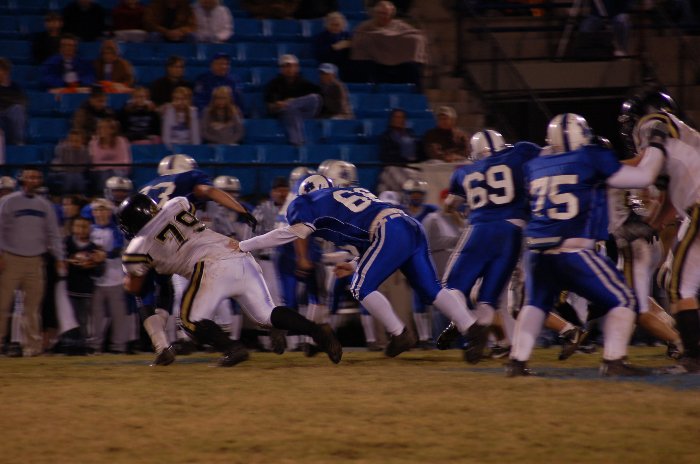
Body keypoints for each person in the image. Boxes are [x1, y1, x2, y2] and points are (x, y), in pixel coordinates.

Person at [236, 174, 490, 360]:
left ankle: (399, 333)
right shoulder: (349, 197)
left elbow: (287, 234)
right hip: (408, 225)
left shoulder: (308, 202)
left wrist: (244, 245)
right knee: (431, 289)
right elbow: (373, 243)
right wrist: (353, 263)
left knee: (360, 286)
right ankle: (472, 328)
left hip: (388, 230)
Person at [506, 113, 667, 377]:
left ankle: (517, 362)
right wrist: (657, 144)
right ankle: (614, 361)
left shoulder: (536, 165)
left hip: (536, 252)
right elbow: (643, 177)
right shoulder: (590, 157)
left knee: (535, 304)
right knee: (623, 299)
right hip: (573, 249)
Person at [117, 193, 342, 366]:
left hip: (210, 267)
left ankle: (232, 348)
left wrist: (138, 272)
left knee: (190, 321)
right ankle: (318, 332)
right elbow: (190, 208)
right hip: (238, 253)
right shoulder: (176, 205)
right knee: (267, 315)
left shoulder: (139, 246)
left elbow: (135, 286)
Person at [137, 154, 257, 364]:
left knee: (146, 292)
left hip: (142, 242)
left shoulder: (144, 188)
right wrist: (241, 209)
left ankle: (161, 346)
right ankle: (226, 344)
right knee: (189, 298)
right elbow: (207, 190)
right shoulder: (187, 179)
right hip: (176, 247)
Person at [620, 90, 700, 374]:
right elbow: (669, 203)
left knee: (679, 285)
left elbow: (646, 165)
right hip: (692, 207)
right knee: (677, 283)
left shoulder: (653, 122)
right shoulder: (679, 145)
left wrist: (599, 167)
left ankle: (693, 357)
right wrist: (649, 226)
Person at [0, 167, 66, 357]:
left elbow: (53, 233)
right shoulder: (7, 202)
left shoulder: (45, 205)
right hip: (10, 259)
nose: (33, 180)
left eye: (36, 177)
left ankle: (32, 347)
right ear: (22, 179)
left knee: (33, 308)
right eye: (29, 176)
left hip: (36, 261)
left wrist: (60, 257)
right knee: (2, 304)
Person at [88, 198, 135, 354]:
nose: (100, 213)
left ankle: (119, 346)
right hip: (96, 279)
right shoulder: (90, 229)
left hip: (115, 278)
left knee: (118, 315)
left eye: (103, 210)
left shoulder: (116, 230)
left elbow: (118, 249)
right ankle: (95, 345)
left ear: (109, 212)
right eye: (97, 210)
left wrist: (102, 255)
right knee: (96, 316)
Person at [350, 1, 427, 89]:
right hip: (373, 62)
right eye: (380, 13)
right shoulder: (365, 26)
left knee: (413, 67)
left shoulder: (399, 25)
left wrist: (389, 38)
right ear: (375, 14)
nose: (383, 16)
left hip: (399, 62)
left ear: (391, 14)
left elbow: (415, 35)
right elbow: (358, 38)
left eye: (386, 14)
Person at [65, 216, 105, 347]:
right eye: (78, 226)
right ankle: (68, 343)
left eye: (85, 227)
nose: (81, 230)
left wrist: (95, 263)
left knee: (83, 318)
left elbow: (99, 272)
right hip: (68, 288)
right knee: (68, 318)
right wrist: (70, 261)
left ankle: (83, 344)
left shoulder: (94, 248)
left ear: (90, 229)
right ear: (72, 228)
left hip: (86, 290)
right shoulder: (67, 243)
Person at [264, 54, 321, 146]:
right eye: (286, 66)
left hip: (305, 113)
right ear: (281, 68)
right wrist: (278, 104)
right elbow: (270, 106)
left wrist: (291, 102)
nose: (290, 69)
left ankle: (290, 104)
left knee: (314, 98)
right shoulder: (273, 85)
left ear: (297, 67)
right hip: (285, 113)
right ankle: (297, 142)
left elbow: (316, 99)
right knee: (291, 111)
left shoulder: (305, 83)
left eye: (292, 66)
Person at [88, 118, 132, 194]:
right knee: (105, 175)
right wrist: (109, 167)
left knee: (116, 174)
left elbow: (125, 161)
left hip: (118, 171)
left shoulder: (122, 141)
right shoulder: (93, 143)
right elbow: (96, 162)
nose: (101, 130)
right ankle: (105, 196)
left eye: (104, 128)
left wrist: (109, 167)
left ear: (112, 130)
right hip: (100, 172)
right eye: (99, 128)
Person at [312, 11, 352, 81]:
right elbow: (318, 54)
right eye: (332, 25)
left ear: (343, 25)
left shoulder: (348, 36)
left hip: (345, 66)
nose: (335, 27)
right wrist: (333, 47)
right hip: (326, 65)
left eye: (337, 25)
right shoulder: (320, 37)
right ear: (326, 25)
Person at [50, 129, 91, 194]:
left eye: (77, 141)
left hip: (77, 173)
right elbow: (59, 165)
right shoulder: (62, 148)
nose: (74, 143)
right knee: (72, 176)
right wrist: (71, 150)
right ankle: (74, 195)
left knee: (76, 176)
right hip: (62, 172)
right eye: (72, 140)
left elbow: (83, 167)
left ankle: (76, 196)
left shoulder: (84, 151)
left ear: (81, 141)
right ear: (68, 140)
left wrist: (77, 152)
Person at [0, 58, 27, 146]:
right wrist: (9, 101)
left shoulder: (16, 87)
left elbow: (22, 102)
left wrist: (5, 101)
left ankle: (18, 142)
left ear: (6, 72)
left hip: (10, 114)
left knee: (17, 109)